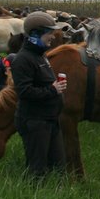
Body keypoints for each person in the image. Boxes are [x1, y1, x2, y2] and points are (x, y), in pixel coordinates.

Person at [11, 11, 69, 177]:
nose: (53, 37)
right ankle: (34, 192)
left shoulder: (40, 55)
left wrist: (55, 88)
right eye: (49, 33)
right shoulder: (23, 59)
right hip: (35, 121)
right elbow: (24, 92)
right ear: (35, 34)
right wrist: (53, 90)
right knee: (37, 170)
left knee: (59, 168)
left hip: (49, 119)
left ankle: (56, 192)